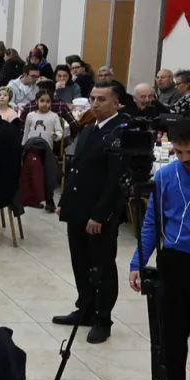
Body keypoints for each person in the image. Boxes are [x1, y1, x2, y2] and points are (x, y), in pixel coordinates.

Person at [54, 81, 127, 344]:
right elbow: (76, 168)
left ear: (117, 103)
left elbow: (114, 181)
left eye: (102, 99)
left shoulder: (119, 133)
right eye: (93, 98)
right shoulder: (89, 128)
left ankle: (103, 318)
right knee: (80, 261)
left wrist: (100, 215)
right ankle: (85, 309)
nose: (95, 103)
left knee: (101, 266)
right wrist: (65, 201)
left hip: (98, 213)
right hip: (78, 208)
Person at [130, 119, 190, 380]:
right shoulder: (166, 176)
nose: (185, 159)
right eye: (179, 152)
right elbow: (152, 222)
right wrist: (138, 262)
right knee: (170, 341)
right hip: (175, 262)